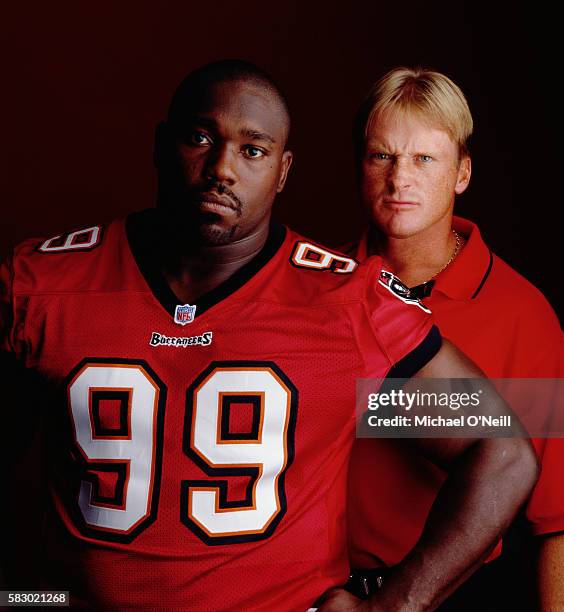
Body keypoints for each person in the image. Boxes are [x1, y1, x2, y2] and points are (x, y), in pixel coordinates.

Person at [0, 60, 537, 611]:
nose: (221, 169)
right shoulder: (43, 284)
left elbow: (504, 450)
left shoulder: (350, 301)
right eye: (200, 137)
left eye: (252, 150)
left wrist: (394, 606)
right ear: (162, 145)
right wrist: (25, 599)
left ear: (282, 172)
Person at [345, 67, 564, 611]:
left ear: (462, 173)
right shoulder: (315, 291)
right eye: (382, 156)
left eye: (424, 159)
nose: (399, 180)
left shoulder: (524, 311)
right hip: (329, 596)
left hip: (459, 595)